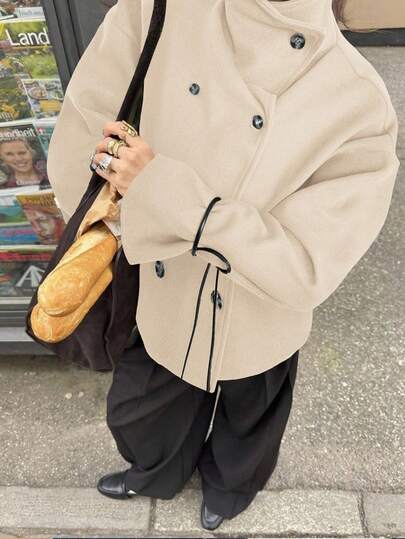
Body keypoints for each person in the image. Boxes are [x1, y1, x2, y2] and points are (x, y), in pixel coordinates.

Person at [46, 0, 400, 531]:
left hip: (260, 312)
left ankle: (230, 489)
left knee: (249, 424)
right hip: (166, 287)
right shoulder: (156, 9)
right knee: (140, 411)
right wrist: (103, 214)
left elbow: (307, 264)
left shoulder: (359, 101)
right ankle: (155, 473)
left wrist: (167, 192)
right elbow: (87, 119)